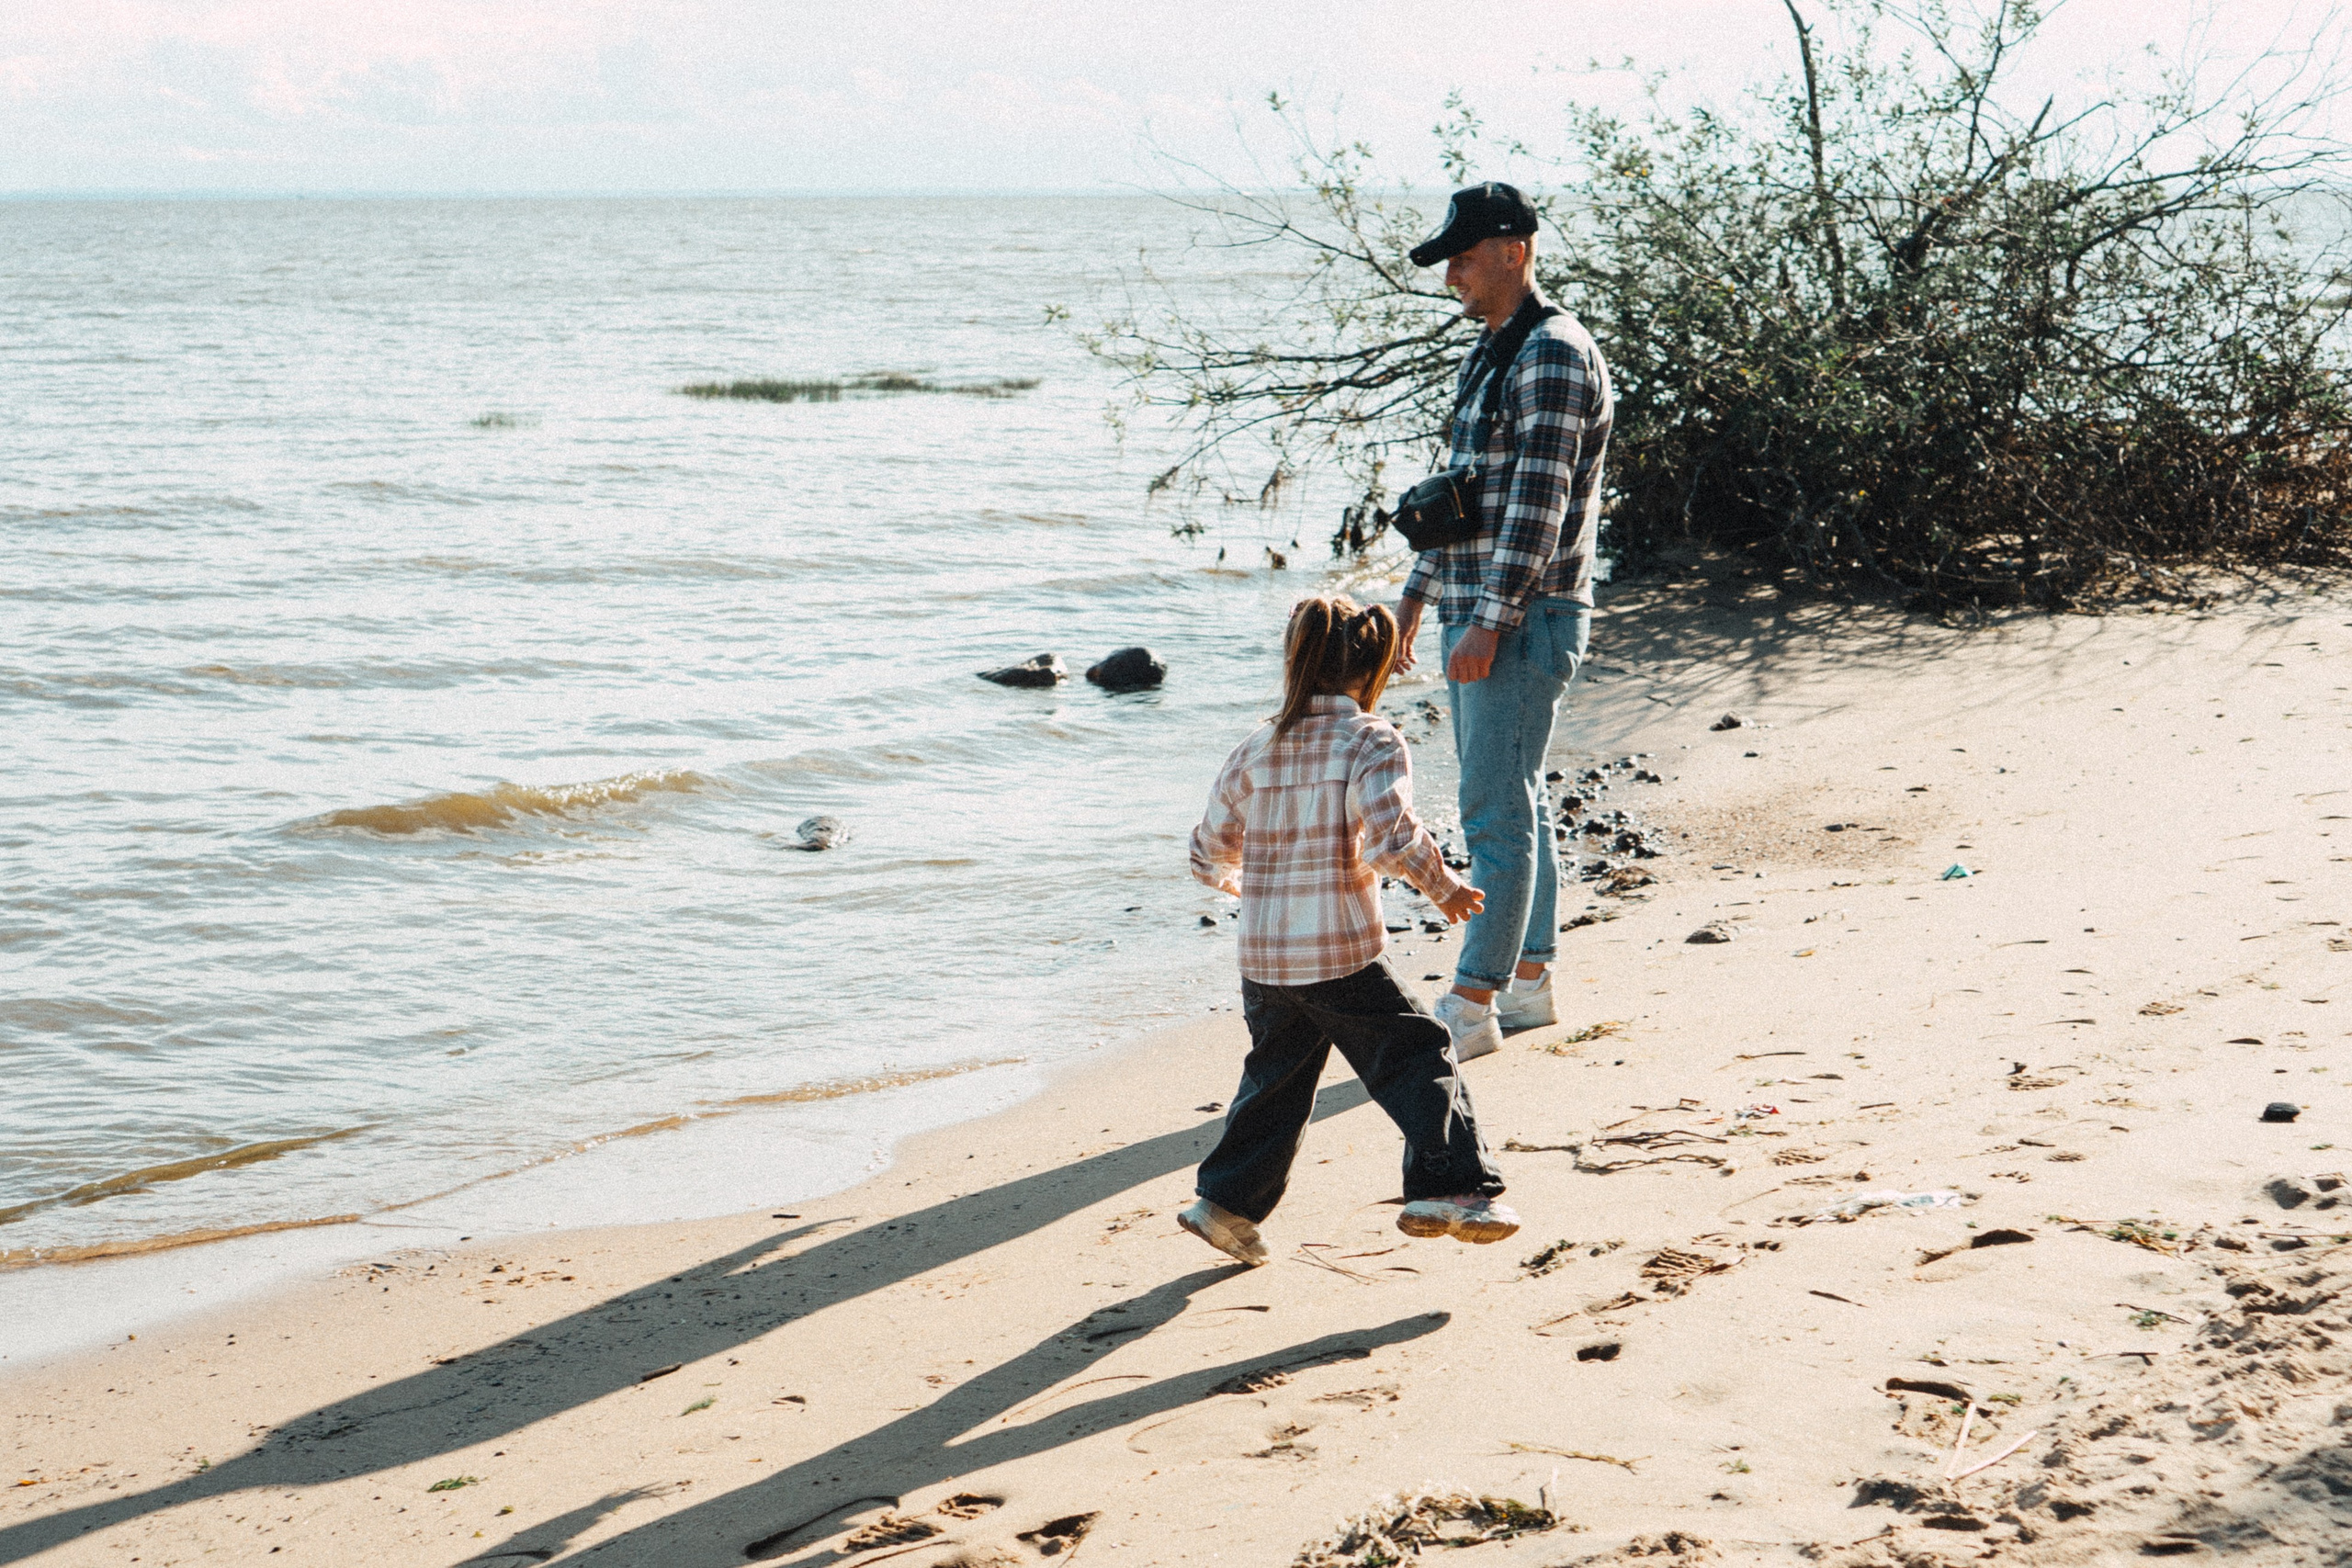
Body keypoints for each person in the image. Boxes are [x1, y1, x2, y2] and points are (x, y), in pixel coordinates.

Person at [1179, 595, 1520, 1268]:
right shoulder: (1370, 738)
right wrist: (1444, 887)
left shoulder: (1256, 746)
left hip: (1265, 959)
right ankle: (1451, 1188)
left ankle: (1226, 1204)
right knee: (1419, 1054)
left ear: (1297, 661)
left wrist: (1252, 887)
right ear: (1373, 669)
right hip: (1337, 949)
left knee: (1278, 1078)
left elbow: (1208, 849)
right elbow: (1393, 836)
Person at [1394, 182, 1613, 1062]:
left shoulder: (1554, 353)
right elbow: (1461, 495)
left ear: (1515, 250)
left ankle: (1473, 1001)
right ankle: (1529, 983)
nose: (1452, 273)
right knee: (1514, 798)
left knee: (1491, 809)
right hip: (1481, 605)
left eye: (1464, 255)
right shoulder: (1492, 352)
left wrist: (1487, 620)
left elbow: (1539, 506)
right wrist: (1416, 593)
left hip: (1525, 612)